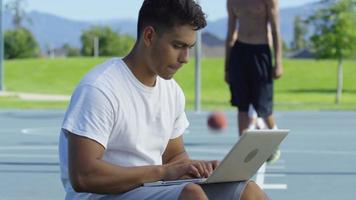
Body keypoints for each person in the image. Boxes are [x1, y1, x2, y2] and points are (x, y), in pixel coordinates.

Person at [58, 0, 267, 199]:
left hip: (151, 188)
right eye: (178, 46)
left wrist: (196, 169)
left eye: (189, 48)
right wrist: (162, 172)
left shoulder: (172, 91)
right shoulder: (100, 88)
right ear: (149, 36)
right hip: (102, 196)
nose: (185, 58)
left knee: (248, 192)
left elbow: (174, 157)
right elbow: (83, 176)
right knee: (190, 195)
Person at [224, 0, 283, 163]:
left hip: (261, 52)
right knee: (241, 105)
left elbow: (276, 30)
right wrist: (227, 67)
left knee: (264, 106)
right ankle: (242, 150)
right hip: (239, 53)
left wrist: (278, 62)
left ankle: (273, 139)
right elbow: (230, 34)